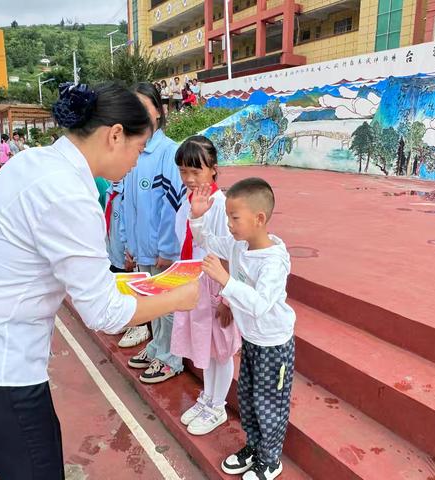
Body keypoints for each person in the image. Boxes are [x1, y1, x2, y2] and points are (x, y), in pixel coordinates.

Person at [0, 82, 199, 480]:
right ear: (115, 135)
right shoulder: (68, 193)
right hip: (7, 364)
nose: (138, 162)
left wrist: (130, 285)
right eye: (139, 150)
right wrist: (178, 297)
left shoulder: (33, 163)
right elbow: (103, 312)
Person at [190, 178, 295, 480]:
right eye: (228, 218)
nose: (230, 225)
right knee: (248, 399)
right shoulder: (239, 246)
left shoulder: (273, 262)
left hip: (273, 345)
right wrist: (197, 217)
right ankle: (254, 447)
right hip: (252, 340)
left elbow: (260, 304)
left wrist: (226, 282)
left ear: (259, 218)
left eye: (234, 218)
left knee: (269, 404)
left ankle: (271, 458)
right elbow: (209, 241)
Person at [170, 136, 241, 435]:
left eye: (195, 171)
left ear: (213, 169)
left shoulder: (222, 207)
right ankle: (208, 397)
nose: (188, 178)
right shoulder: (188, 201)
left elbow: (233, 253)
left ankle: (218, 406)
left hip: (216, 289)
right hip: (194, 286)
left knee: (220, 351)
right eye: (183, 170)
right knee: (205, 346)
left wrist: (228, 299)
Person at [123, 82, 186, 384]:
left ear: (158, 113)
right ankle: (158, 345)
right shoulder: (134, 154)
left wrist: (167, 249)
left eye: (143, 106)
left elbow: (172, 206)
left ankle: (171, 358)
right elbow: (126, 202)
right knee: (152, 304)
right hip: (142, 247)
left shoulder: (168, 152)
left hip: (164, 251)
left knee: (169, 305)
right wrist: (128, 241)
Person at [106, 179, 127, 273]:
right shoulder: (109, 191)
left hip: (125, 258)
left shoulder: (127, 193)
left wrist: (128, 254)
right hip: (110, 255)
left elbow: (130, 226)